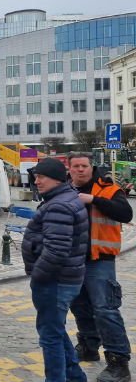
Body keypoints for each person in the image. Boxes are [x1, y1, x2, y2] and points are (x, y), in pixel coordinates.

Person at [22, 158, 89, 382]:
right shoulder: (65, 197)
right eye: (35, 176)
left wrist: (38, 277)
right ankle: (76, 378)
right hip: (65, 278)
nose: (36, 181)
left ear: (55, 178)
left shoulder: (58, 204)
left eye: (40, 177)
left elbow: (56, 251)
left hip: (55, 281)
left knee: (50, 337)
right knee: (57, 332)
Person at [67, 152, 132, 382]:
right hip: (72, 260)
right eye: (76, 166)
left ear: (90, 167)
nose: (80, 170)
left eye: (84, 165)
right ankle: (88, 345)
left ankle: (118, 362)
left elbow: (126, 213)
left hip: (100, 259)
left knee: (105, 310)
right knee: (79, 306)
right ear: (70, 169)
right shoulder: (64, 190)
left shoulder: (108, 189)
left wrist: (93, 200)